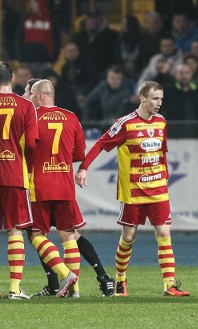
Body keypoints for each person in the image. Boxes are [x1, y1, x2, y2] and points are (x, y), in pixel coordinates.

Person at [0, 60, 77, 300]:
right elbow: (32, 143)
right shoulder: (26, 105)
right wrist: (24, 164)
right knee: (16, 230)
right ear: (13, 78)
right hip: (16, 175)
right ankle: (15, 288)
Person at [75, 81, 191, 297]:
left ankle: (169, 285)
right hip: (133, 192)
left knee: (164, 233)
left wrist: (164, 172)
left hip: (158, 190)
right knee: (128, 237)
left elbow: (163, 150)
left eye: (161, 99)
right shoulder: (125, 124)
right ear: (143, 98)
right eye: (155, 99)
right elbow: (101, 143)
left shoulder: (161, 122)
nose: (159, 103)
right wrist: (83, 167)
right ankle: (120, 280)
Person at [26, 79, 115, 298]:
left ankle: (65, 277)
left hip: (40, 185)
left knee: (36, 234)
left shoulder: (32, 117)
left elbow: (26, 147)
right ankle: (73, 290)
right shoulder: (72, 117)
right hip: (64, 186)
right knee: (69, 236)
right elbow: (78, 154)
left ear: (37, 96)